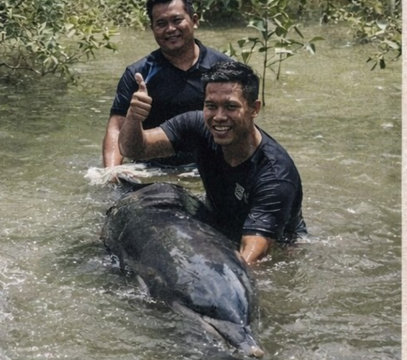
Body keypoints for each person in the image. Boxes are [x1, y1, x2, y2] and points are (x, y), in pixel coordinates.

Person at [118, 61, 307, 264]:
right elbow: (134, 149)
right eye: (211, 106)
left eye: (231, 107)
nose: (219, 117)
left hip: (280, 246)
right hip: (220, 225)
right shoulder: (198, 127)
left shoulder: (275, 176)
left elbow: (255, 254)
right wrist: (134, 118)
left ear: (254, 108)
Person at [102, 0, 233, 172]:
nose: (170, 29)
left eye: (177, 20)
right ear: (153, 29)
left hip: (210, 167)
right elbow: (116, 127)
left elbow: (243, 123)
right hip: (152, 168)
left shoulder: (225, 68)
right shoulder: (138, 74)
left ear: (194, 21)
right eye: (161, 23)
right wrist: (111, 173)